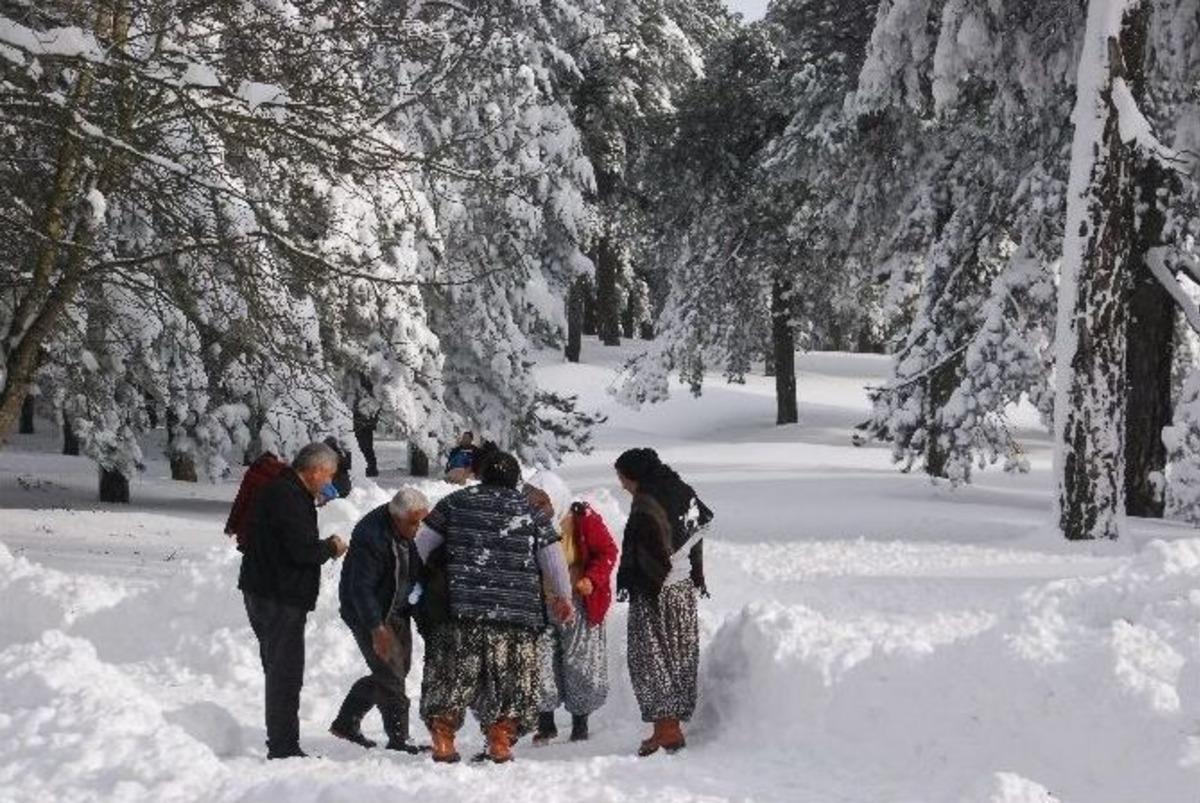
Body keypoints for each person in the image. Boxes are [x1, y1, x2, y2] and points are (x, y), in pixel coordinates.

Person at [415, 452, 575, 764]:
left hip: (461, 610)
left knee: (453, 677)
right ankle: (500, 741)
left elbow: (421, 546)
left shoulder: (454, 503)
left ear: (481, 475)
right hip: (517, 613)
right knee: (512, 681)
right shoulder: (530, 510)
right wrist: (563, 597)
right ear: (516, 479)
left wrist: (414, 582)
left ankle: (444, 740)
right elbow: (553, 558)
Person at [237, 442, 349, 759]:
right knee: (284, 673)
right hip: (278, 596)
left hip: (266, 590)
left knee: (279, 669)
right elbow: (301, 551)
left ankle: (282, 740)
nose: (330, 482)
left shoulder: (288, 491)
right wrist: (331, 546)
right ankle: (283, 747)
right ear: (314, 471)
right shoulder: (288, 496)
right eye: (329, 475)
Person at [613, 447, 713, 757]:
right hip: (682, 591)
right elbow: (697, 531)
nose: (622, 485)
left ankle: (666, 729)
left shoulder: (647, 504)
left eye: (622, 478)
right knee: (679, 655)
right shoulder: (681, 491)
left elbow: (650, 553)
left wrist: (643, 581)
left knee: (650, 658)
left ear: (635, 474)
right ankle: (671, 726)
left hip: (654, 593)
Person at [330, 487, 430, 754]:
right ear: (395, 517)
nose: (418, 527)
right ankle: (400, 738)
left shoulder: (409, 527)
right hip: (367, 612)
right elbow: (360, 589)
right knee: (391, 675)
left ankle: (345, 723)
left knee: (396, 671)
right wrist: (376, 628)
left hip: (396, 608)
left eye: (421, 520)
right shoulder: (370, 536)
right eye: (413, 522)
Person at [526, 471, 618, 745]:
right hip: (540, 602)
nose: (536, 507)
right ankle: (546, 722)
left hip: (579, 601)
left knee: (580, 662)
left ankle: (580, 722)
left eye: (543, 502)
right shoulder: (526, 523)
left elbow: (608, 552)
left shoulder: (582, 519)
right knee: (541, 662)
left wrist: (592, 578)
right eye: (532, 500)